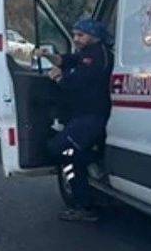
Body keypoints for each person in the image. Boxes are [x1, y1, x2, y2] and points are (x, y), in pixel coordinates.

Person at [33, 18, 113, 222]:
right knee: (71, 156)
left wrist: (60, 77)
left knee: (59, 149)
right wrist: (49, 56)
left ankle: (92, 172)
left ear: (94, 36)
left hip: (92, 118)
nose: (76, 39)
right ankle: (86, 199)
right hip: (81, 117)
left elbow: (76, 79)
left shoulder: (96, 56)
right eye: (74, 34)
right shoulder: (86, 54)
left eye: (81, 35)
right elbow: (67, 60)